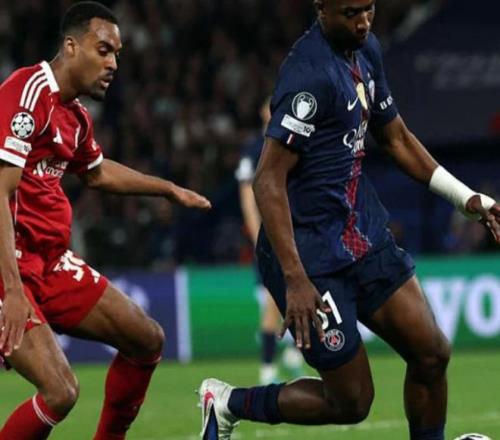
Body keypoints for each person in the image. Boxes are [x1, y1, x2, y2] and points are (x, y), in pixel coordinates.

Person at [199, 1, 500, 439]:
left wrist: (465, 198)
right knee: (352, 402)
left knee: (432, 353)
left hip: (362, 235)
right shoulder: (307, 75)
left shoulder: (366, 49)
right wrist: (295, 278)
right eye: (350, 13)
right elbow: (266, 179)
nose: (362, 22)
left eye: (368, 9)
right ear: (321, 8)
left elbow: (395, 138)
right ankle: (227, 402)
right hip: (311, 255)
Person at [0, 2, 211, 439]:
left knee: (146, 339)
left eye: (116, 53)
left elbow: (96, 173)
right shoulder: (26, 93)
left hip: (49, 262)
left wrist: (167, 188)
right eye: (104, 50)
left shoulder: (75, 116)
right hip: (7, 267)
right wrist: (14, 292)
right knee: (60, 391)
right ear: (71, 46)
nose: (113, 63)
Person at [235, 98, 304, 385]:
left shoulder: (290, 144)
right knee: (273, 301)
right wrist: (257, 234)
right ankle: (268, 367)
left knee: (294, 295)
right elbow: (247, 196)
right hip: (270, 236)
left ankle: (292, 355)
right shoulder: (254, 149)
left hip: (293, 233)